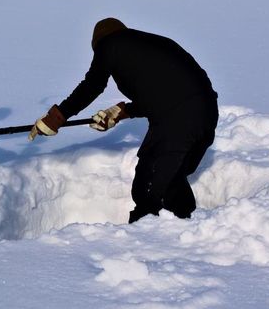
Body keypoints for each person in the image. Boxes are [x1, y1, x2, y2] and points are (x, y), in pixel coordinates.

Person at [28, 18, 218, 223]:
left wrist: (57, 117)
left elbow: (92, 85)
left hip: (178, 120)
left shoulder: (109, 44)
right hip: (205, 114)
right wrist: (123, 111)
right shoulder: (150, 45)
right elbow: (163, 92)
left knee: (151, 189)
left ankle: (146, 238)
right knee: (167, 179)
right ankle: (187, 227)